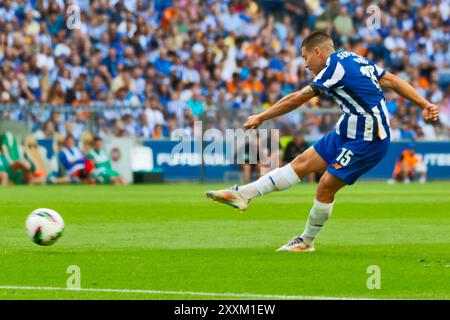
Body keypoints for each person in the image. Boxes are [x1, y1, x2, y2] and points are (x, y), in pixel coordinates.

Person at [206, 31, 439, 252]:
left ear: (318, 52)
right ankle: (243, 194)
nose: (306, 65)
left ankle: (306, 241)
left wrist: (262, 116)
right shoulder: (353, 58)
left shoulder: (333, 68)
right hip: (348, 127)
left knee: (325, 185)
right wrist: (424, 104)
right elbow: (392, 81)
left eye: (306, 58)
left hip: (369, 138)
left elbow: (298, 98)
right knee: (300, 164)